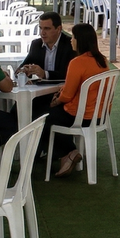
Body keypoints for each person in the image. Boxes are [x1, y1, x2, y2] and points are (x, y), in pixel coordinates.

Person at [42, 23, 111, 177]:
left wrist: (57, 100)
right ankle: (66, 154)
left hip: (81, 115)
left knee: (44, 117)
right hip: (100, 114)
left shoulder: (77, 62)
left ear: (79, 40)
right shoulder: (102, 61)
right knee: (52, 115)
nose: (71, 40)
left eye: (73, 37)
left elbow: (67, 96)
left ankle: (69, 152)